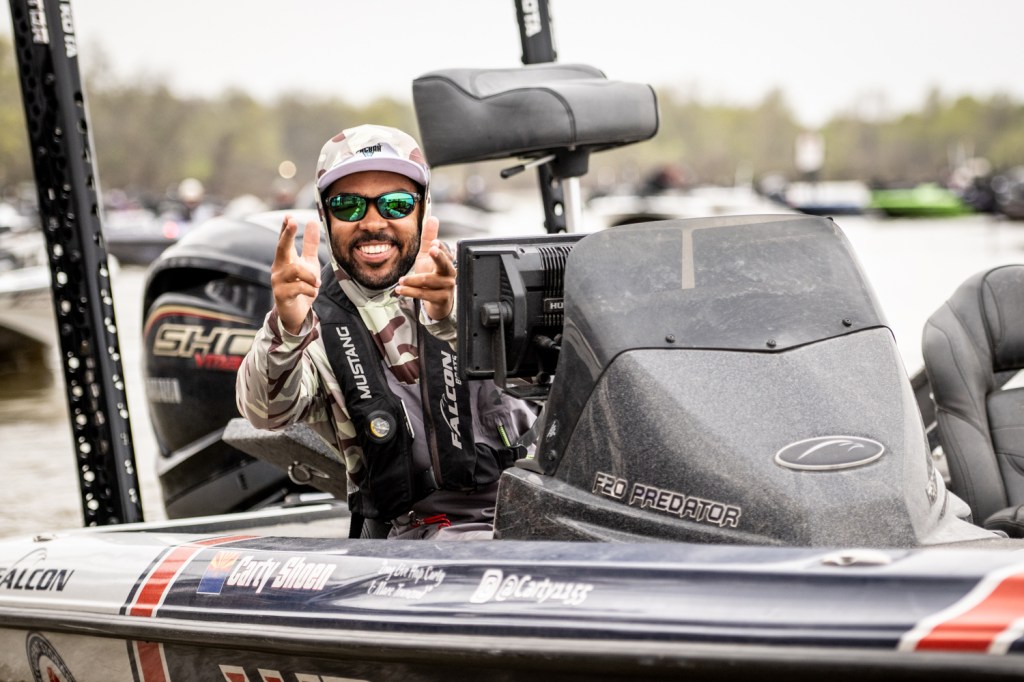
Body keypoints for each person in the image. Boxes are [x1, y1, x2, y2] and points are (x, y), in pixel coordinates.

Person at [236, 124, 536, 540]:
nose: (373, 222)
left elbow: (554, 384)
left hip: (540, 510)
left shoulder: (484, 281)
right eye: (349, 205)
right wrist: (286, 326)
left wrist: (452, 317)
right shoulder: (312, 321)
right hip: (423, 539)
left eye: (396, 204)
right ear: (324, 215)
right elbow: (265, 412)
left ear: (422, 209)